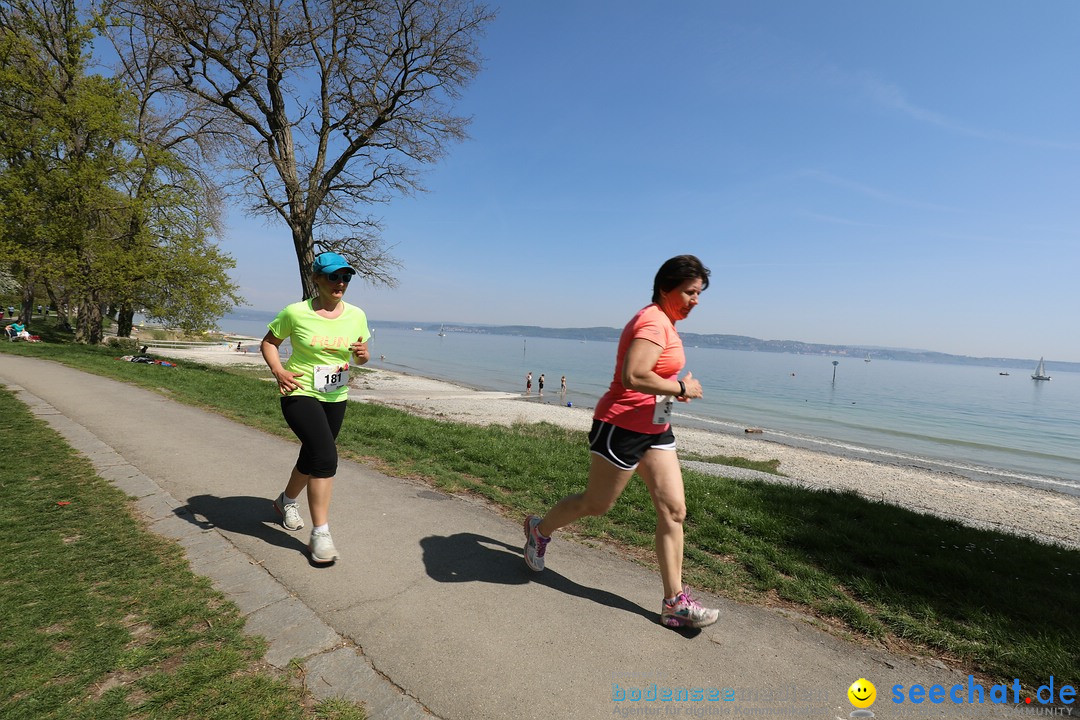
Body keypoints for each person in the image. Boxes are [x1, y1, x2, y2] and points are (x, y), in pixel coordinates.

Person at [523, 255, 719, 629]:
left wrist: (673, 390)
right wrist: (681, 386)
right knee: (595, 505)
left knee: (674, 510)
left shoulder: (667, 323)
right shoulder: (652, 322)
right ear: (666, 288)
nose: (696, 300)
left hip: (656, 428)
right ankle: (539, 529)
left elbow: (652, 375)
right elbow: (633, 375)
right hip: (621, 427)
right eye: (690, 292)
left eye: (699, 293)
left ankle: (674, 602)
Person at [261, 251, 371, 564]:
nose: (340, 283)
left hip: (336, 394)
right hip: (299, 390)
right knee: (325, 456)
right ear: (316, 279)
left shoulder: (357, 315)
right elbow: (269, 343)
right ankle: (320, 533)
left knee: (312, 455)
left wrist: (363, 355)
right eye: (333, 276)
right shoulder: (295, 313)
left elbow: (361, 356)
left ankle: (286, 502)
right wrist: (279, 370)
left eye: (346, 277)